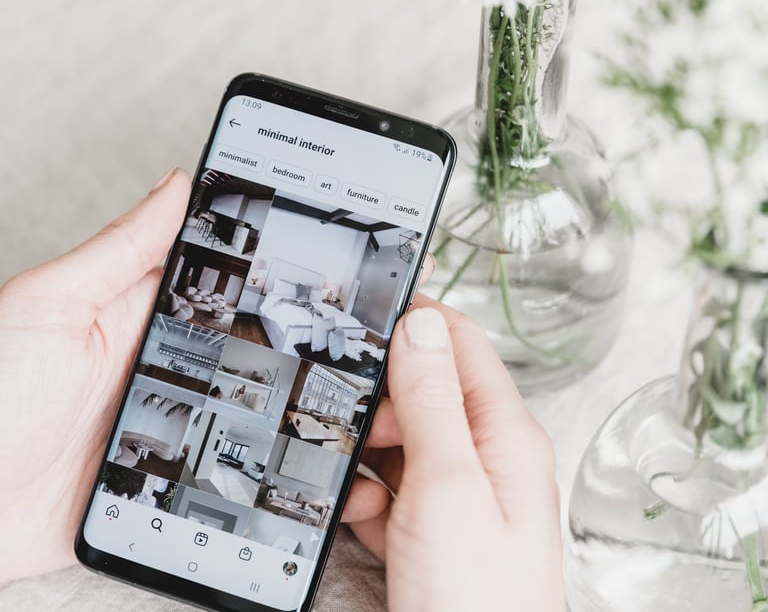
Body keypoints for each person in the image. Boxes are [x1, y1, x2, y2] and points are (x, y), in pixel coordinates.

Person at [0, 168, 565, 611]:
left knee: (335, 340)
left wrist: (325, 307)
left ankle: (347, 347)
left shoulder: (326, 298)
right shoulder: (264, 299)